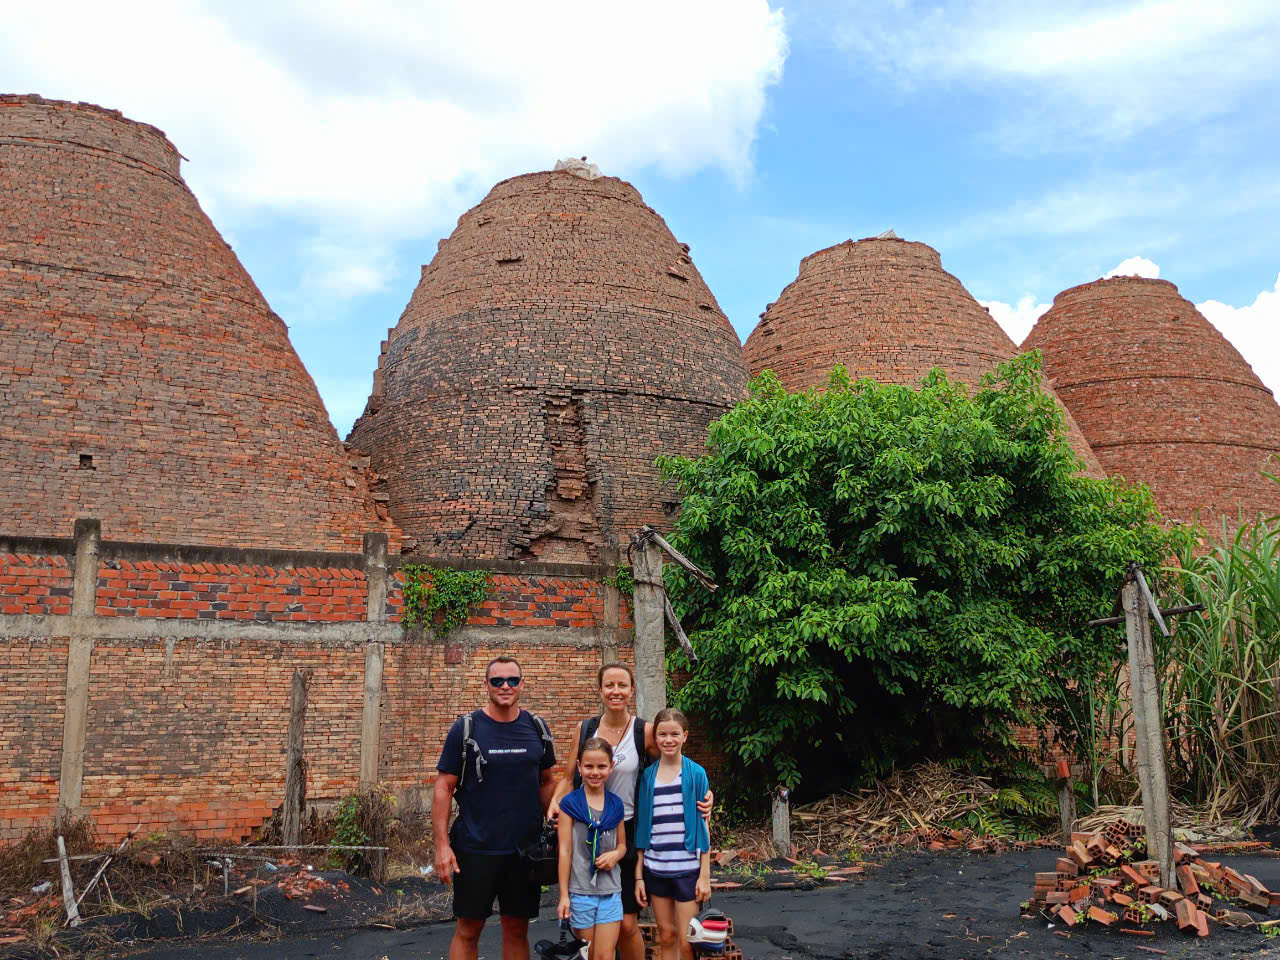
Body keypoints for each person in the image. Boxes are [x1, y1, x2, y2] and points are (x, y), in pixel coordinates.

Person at [548, 664, 713, 960]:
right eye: (609, 685)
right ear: (599, 689)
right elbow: (567, 774)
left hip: (625, 831)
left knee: (626, 924)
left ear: (631, 690)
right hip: (586, 834)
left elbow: (673, 762)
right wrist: (555, 801)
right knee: (591, 921)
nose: (616, 691)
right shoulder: (585, 729)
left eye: (622, 685)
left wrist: (704, 795)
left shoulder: (644, 731)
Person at [434, 656, 557, 960]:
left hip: (523, 852)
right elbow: (443, 788)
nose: (505, 686)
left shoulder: (536, 728)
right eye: (497, 680)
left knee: (516, 928)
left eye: (512, 680)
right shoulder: (466, 728)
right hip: (475, 848)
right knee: (468, 929)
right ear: (485, 686)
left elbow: (547, 783)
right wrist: (441, 846)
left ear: (522, 684)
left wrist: (557, 832)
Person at [634, 708, 712, 960]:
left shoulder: (696, 774)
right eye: (662, 734)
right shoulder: (647, 776)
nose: (668, 740)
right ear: (655, 738)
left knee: (688, 940)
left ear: (685, 736)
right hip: (656, 868)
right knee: (666, 935)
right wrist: (639, 876)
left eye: (674, 734)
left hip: (687, 870)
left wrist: (704, 875)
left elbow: (703, 824)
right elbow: (643, 829)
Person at [557, 737, 627, 960]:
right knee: (587, 955)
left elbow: (622, 845)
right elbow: (565, 851)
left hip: (610, 891)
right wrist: (564, 895)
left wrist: (615, 855)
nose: (595, 772)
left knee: (605, 956)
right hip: (581, 893)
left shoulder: (616, 804)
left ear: (611, 767)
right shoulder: (569, 805)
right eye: (588, 766)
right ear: (579, 766)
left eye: (601, 766)